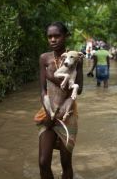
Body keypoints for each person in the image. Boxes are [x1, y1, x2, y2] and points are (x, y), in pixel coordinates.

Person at [34, 21, 83, 179]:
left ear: (65, 36)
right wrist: (48, 114)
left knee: (66, 162)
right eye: (50, 37)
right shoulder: (44, 58)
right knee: (43, 162)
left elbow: (79, 89)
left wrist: (52, 77)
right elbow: (42, 91)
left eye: (57, 36)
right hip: (48, 111)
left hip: (67, 114)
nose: (53, 39)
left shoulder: (75, 58)